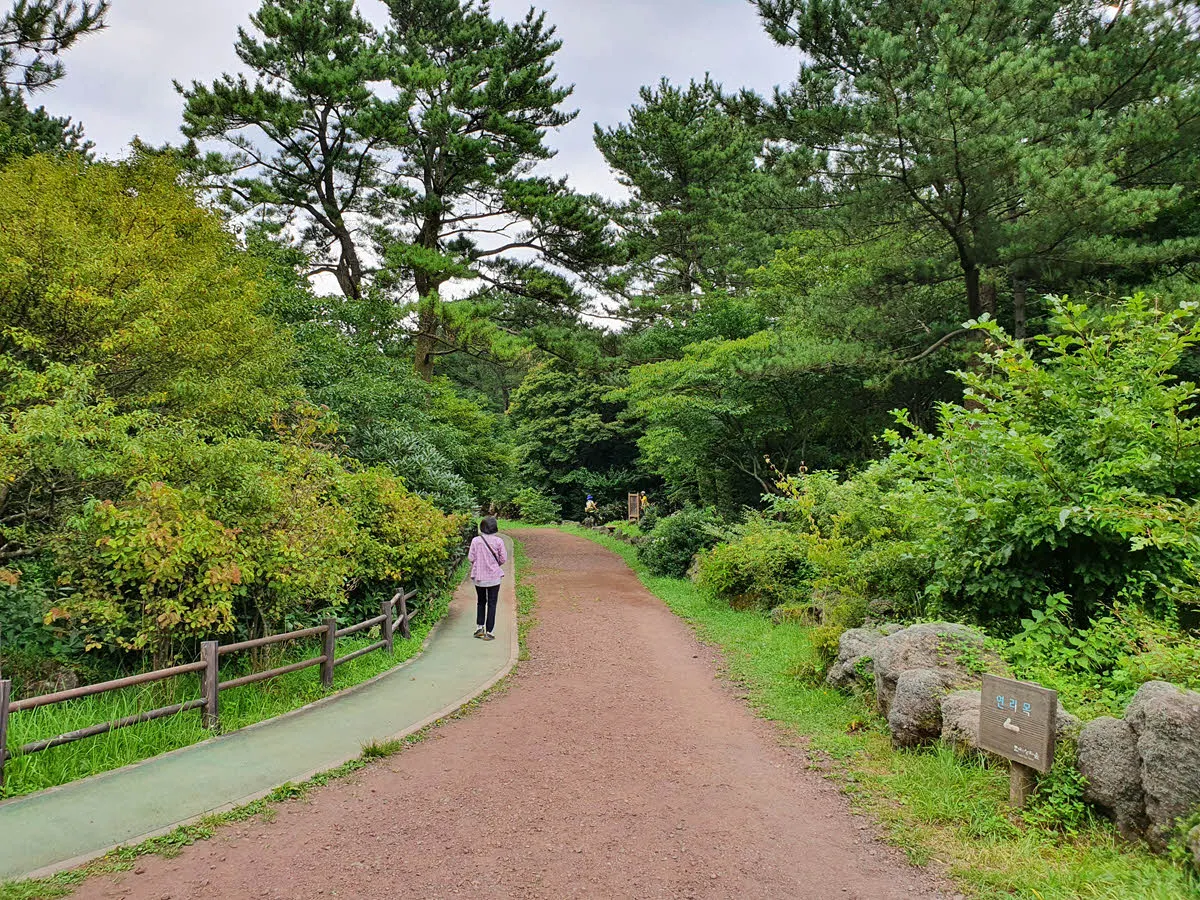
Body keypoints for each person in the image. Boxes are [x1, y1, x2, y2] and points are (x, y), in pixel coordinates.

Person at [467, 516, 507, 641]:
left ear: (482, 527)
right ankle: (490, 632)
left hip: (479, 578)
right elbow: (503, 558)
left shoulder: (475, 541)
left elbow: (470, 558)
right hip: (494, 578)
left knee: (481, 602)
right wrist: (495, 565)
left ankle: (480, 627)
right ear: (494, 527)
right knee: (492, 603)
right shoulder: (498, 541)